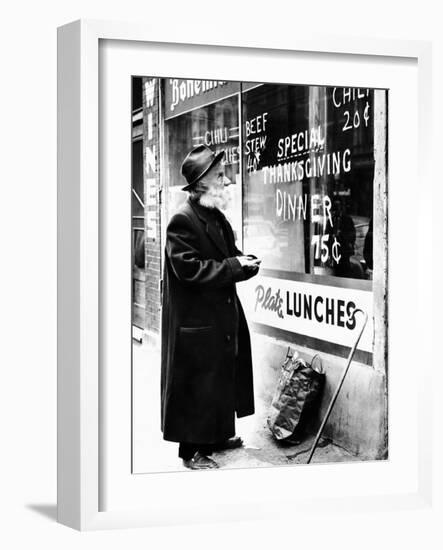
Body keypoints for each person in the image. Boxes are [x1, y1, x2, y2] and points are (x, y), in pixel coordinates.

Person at [160, 144, 261, 470]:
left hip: (217, 317)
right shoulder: (182, 220)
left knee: (218, 380)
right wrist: (235, 266)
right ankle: (191, 451)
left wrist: (244, 262)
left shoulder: (214, 216)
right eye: (220, 176)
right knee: (196, 384)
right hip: (195, 322)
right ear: (201, 183)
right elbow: (191, 270)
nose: (227, 180)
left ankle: (216, 436)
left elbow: (227, 254)